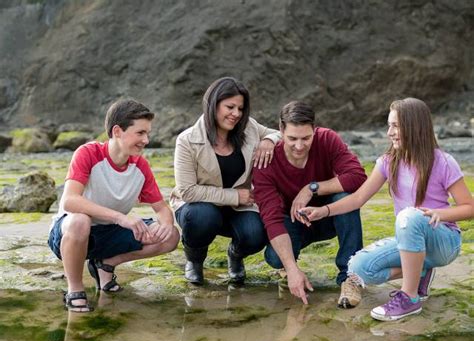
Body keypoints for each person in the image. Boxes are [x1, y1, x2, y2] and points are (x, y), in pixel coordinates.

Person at [300, 97, 474, 321]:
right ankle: (420, 270)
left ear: (414, 127)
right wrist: (323, 211)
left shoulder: (443, 162)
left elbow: (469, 207)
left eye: (395, 126)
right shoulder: (387, 162)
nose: (389, 132)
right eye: (389, 125)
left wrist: (440, 214)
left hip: (444, 241)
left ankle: (409, 297)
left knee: (409, 216)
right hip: (411, 239)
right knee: (357, 267)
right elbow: (357, 198)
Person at [48, 99, 180, 312]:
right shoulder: (88, 153)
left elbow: (163, 208)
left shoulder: (140, 166)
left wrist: (165, 223)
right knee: (80, 220)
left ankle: (105, 264)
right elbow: (70, 201)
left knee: (172, 235)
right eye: (140, 133)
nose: (146, 140)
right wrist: (120, 217)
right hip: (69, 233)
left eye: (147, 133)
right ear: (117, 131)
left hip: (109, 235)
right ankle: (75, 289)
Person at [253, 101, 367, 305]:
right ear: (280, 130)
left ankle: (350, 276)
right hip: (294, 222)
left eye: (306, 138)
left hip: (329, 215)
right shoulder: (266, 162)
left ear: (314, 130)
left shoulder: (327, 139)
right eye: (292, 138)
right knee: (275, 258)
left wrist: (311, 188)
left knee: (345, 197)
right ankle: (289, 270)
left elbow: (357, 176)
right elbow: (271, 217)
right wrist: (292, 269)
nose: (299, 146)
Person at [170, 77, 281, 285]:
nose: (236, 114)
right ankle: (194, 260)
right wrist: (234, 196)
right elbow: (187, 191)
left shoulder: (249, 127)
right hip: (200, 206)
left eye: (240, 108)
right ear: (213, 104)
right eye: (230, 107)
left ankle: (235, 255)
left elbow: (281, 133)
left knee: (256, 234)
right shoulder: (187, 140)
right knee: (201, 217)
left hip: (238, 208)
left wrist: (268, 140)